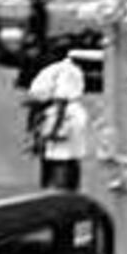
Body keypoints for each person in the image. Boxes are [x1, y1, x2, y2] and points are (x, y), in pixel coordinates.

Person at [23, 44, 88, 195]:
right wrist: (35, 134)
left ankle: (62, 192)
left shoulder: (65, 71)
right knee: (52, 156)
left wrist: (55, 128)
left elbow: (61, 101)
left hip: (63, 116)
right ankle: (54, 190)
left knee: (62, 156)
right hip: (53, 113)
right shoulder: (52, 70)